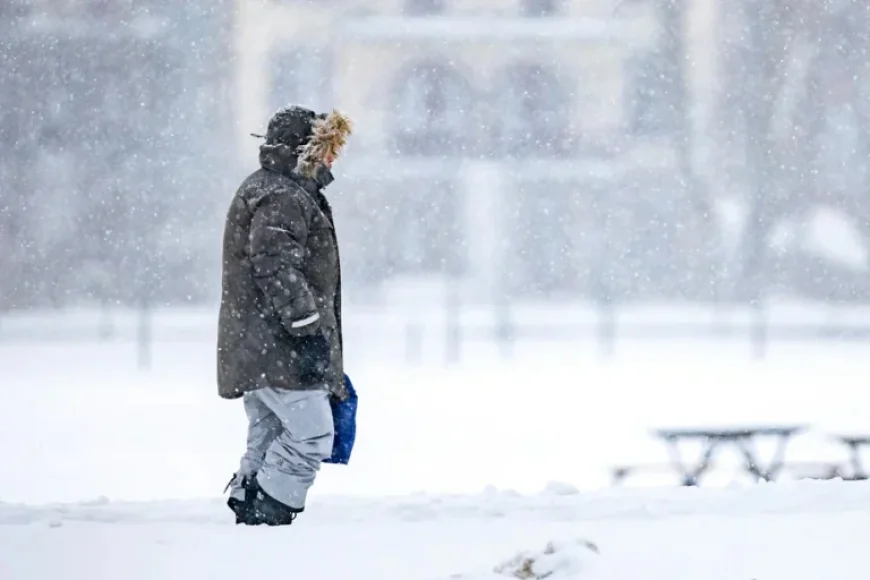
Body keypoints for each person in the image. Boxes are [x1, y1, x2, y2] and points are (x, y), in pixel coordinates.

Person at [217, 105, 353, 526]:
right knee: (312, 434)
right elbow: (275, 266)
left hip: (263, 343)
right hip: (280, 346)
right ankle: (269, 512)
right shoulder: (282, 194)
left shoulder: (281, 189)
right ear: (305, 151)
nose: (333, 160)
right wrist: (308, 331)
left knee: (271, 430)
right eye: (328, 150)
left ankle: (249, 506)